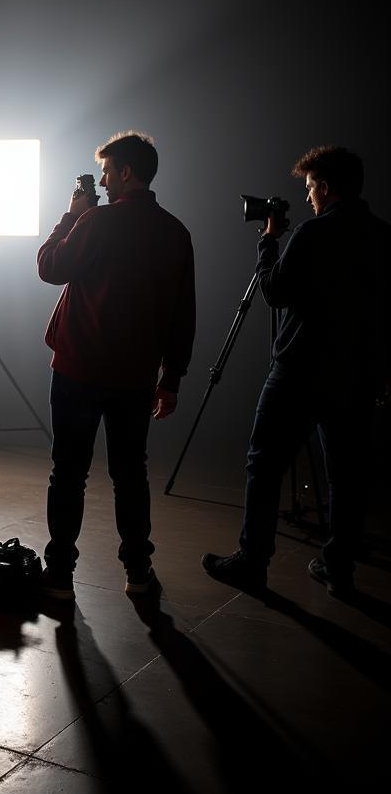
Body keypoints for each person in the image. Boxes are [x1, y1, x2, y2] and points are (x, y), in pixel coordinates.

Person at [202, 146, 391, 596]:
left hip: (300, 371)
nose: (307, 198)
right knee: (346, 475)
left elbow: (274, 292)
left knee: (264, 465)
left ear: (325, 187)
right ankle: (338, 568)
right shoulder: (384, 236)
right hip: (357, 375)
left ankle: (252, 562)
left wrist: (269, 242)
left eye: (310, 188)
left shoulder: (311, 234)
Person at [37, 132, 196, 600]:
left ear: (125, 172)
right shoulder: (175, 231)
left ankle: (61, 576)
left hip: (78, 369)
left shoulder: (95, 221)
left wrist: (72, 214)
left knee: (68, 473)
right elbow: (182, 312)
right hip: (137, 376)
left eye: (107, 172)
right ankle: (139, 572)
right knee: (131, 472)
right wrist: (172, 378)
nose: (103, 181)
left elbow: (49, 267)